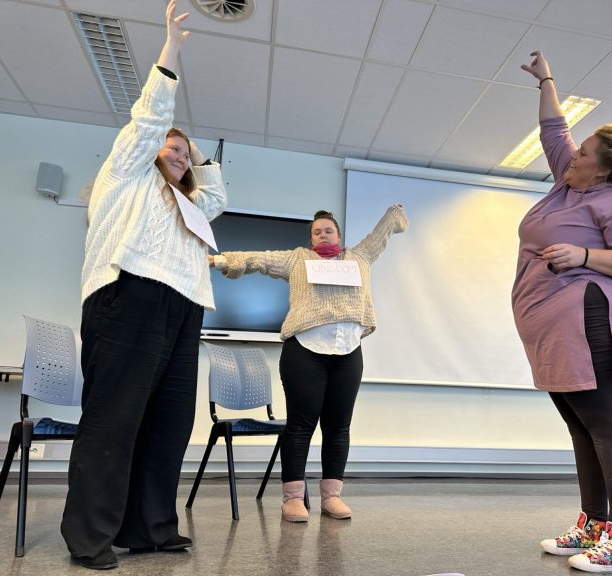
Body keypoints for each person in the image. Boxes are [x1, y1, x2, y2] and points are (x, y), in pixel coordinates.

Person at [60, 1, 228, 569]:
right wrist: (171, 49)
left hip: (183, 308)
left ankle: (150, 528)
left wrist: (199, 155)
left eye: (185, 153)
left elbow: (219, 198)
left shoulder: (192, 205)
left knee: (170, 422)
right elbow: (149, 123)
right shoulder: (127, 174)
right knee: (114, 419)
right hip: (126, 296)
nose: (179, 155)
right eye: (173, 149)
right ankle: (89, 537)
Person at [513, 51, 612, 573]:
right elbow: (554, 131)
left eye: (584, 153)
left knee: (606, 424)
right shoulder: (567, 182)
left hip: (589, 317)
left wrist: (583, 256)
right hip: (551, 324)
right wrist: (547, 78)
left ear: (603, 171)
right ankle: (595, 525)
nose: (572, 154)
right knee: (581, 429)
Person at [210, 205, 407, 522]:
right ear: (311, 238)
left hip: (348, 352)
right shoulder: (297, 259)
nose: (323, 234)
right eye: (317, 231)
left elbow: (379, 235)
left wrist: (393, 216)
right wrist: (219, 260)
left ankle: (332, 497)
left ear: (339, 235)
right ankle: (292, 500)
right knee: (301, 426)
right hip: (305, 351)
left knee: (339, 426)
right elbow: (257, 259)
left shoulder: (358, 258)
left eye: (328, 230)